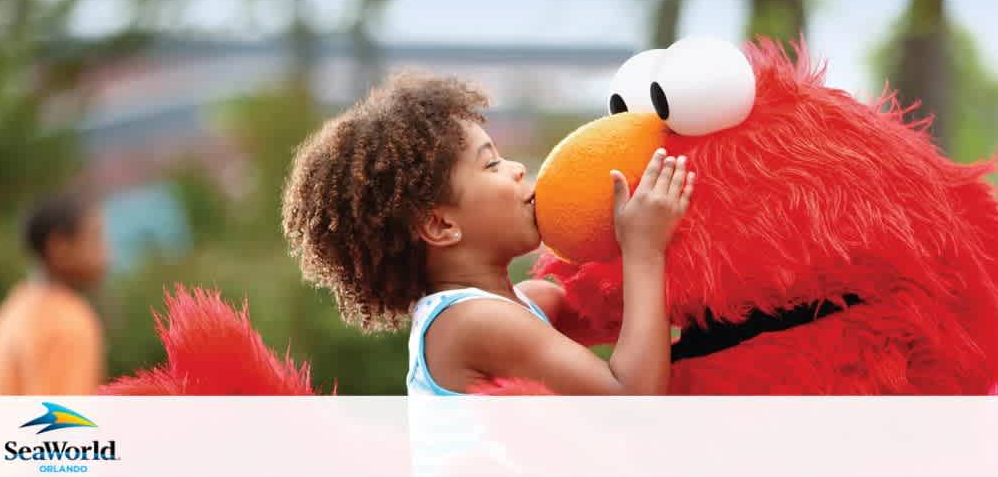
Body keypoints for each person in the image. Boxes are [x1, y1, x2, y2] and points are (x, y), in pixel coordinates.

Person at [282, 72, 695, 395]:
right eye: (491, 164)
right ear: (441, 225)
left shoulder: (525, 305)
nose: (517, 169)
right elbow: (630, 395)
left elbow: (618, 311)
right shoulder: (474, 322)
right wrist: (644, 251)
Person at [0, 191, 108, 395]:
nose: (105, 253)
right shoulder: (68, 319)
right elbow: (63, 420)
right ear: (59, 248)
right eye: (95, 238)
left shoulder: (10, 310)